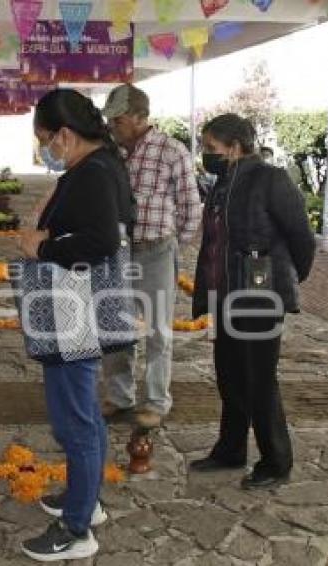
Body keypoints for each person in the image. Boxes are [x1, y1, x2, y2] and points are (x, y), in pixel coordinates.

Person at [18, 88, 133, 562]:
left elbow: (102, 239)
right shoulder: (98, 165)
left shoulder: (93, 172)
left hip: (74, 311)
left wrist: (43, 247)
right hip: (76, 308)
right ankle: (86, 498)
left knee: (75, 419)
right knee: (83, 408)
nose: (45, 148)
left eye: (45, 139)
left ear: (64, 134)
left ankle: (76, 528)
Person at [190, 114, 315, 489]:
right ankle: (230, 450)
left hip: (258, 295)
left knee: (259, 380)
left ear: (235, 146)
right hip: (223, 294)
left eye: (211, 148)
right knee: (229, 377)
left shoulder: (270, 179)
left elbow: (301, 238)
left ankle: (276, 461)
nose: (206, 155)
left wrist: (286, 280)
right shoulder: (221, 183)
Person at [100, 84, 202, 429]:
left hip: (156, 251)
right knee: (116, 327)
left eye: (119, 119)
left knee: (159, 332)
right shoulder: (111, 152)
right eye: (111, 120)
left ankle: (157, 401)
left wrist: (174, 244)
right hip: (118, 253)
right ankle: (119, 396)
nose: (113, 125)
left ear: (139, 117)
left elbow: (191, 206)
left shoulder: (172, 151)